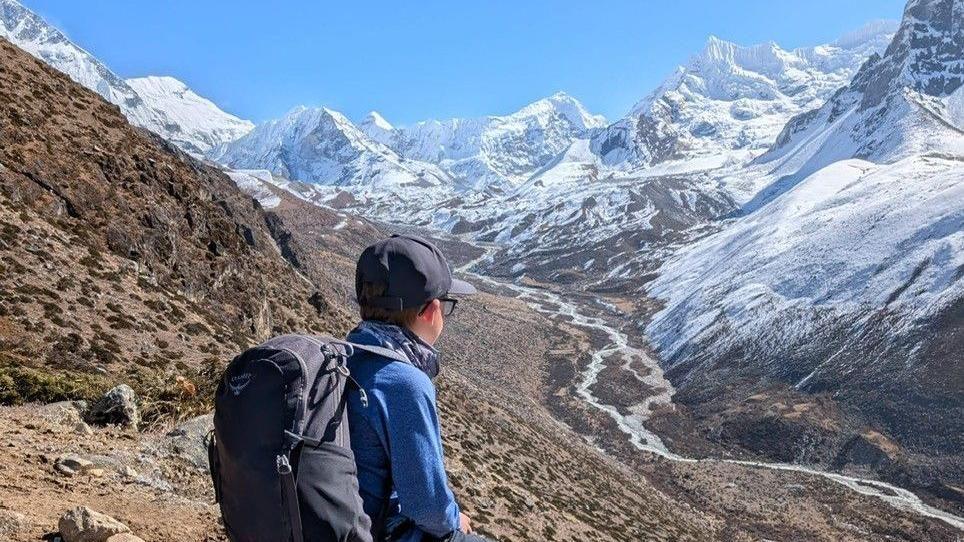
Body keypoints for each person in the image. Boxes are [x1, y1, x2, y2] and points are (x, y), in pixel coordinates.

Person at [345, 234, 491, 542]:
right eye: (447, 306)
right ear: (430, 311)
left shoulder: (349, 352)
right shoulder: (404, 382)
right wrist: (455, 519)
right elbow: (427, 507)